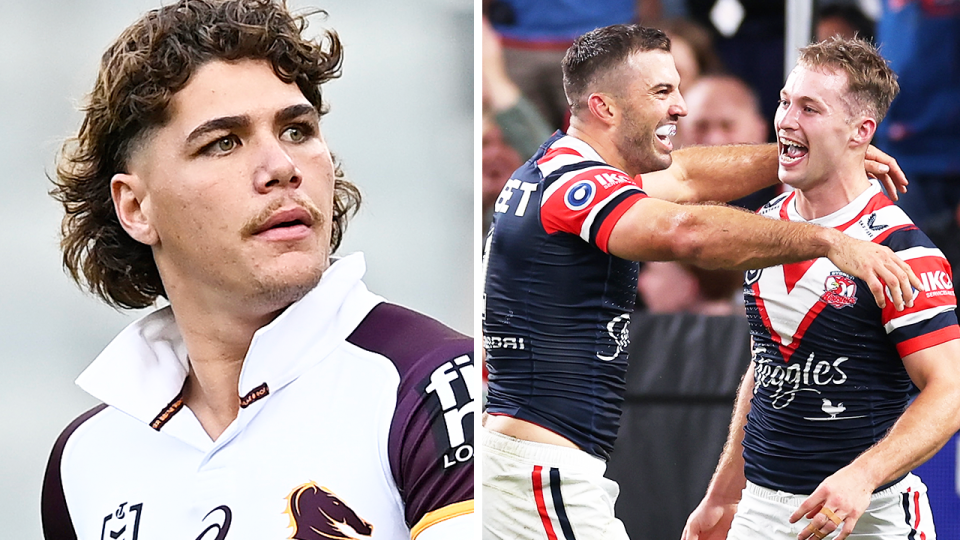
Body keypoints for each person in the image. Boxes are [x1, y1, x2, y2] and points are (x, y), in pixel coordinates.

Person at [40, 2, 474, 539]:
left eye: (296, 130)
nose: (282, 168)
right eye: (223, 142)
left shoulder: (441, 387)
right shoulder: (83, 461)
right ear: (135, 207)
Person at [482, 24, 921, 540]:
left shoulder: (566, 168)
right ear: (605, 108)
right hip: (537, 472)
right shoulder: (574, 183)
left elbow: (688, 177)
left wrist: (808, 157)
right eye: (662, 92)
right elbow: (683, 229)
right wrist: (827, 240)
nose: (681, 108)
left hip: (529, 463)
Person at [682, 37, 960, 540]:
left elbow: (951, 388)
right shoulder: (768, 226)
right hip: (764, 509)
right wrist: (725, 494)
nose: (787, 119)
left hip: (869, 513)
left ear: (861, 132)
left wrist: (862, 478)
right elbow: (767, 366)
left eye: (810, 108)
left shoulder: (900, 248)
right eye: (786, 101)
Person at [677, 73, 778, 210]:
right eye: (701, 126)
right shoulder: (656, 200)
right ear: (679, 132)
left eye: (727, 125)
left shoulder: (793, 197)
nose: (714, 140)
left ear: (760, 130)